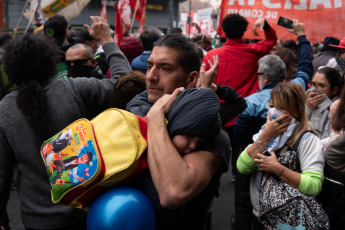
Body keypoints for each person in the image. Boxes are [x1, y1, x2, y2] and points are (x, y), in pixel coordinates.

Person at [0, 16, 131, 230]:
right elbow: (126, 83)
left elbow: (2, 173)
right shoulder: (74, 89)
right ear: (50, 60)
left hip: (36, 219)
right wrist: (107, 40)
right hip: (86, 211)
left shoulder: (5, 109)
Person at [125, 34, 242, 229]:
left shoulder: (212, 137)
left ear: (191, 78)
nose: (151, 76)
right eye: (149, 66)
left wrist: (155, 120)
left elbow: (172, 193)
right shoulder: (137, 106)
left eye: (165, 68)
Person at [232, 18, 312, 230]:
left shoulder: (250, 102)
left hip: (254, 162)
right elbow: (305, 66)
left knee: (243, 206)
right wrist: (301, 36)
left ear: (264, 77)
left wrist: (260, 140)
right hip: (291, 168)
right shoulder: (296, 88)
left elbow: (239, 136)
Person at [236, 82, 328, 229]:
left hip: (288, 222)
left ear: (297, 110)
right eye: (272, 106)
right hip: (260, 217)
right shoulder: (263, 135)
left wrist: (277, 168)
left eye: (282, 108)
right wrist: (265, 137)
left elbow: (314, 185)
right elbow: (242, 166)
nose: (274, 113)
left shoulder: (307, 140)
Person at [306, 66, 342, 139]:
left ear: (334, 90)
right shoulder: (306, 100)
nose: (313, 89)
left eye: (320, 85)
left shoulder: (338, 110)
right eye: (313, 84)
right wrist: (307, 109)